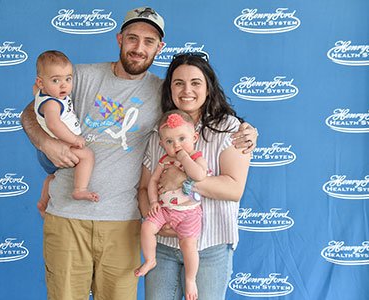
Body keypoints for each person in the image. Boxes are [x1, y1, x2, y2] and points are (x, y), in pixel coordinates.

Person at [20, 6, 258, 300]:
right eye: (132, 38)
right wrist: (46, 143)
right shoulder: (80, 77)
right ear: (119, 39)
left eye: (148, 41)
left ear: (160, 47)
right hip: (68, 216)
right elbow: (31, 112)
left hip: (124, 224)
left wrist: (248, 129)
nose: (138, 48)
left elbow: (201, 112)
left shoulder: (163, 95)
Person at [138, 53, 251, 300]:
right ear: (169, 89)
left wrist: (184, 180)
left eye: (195, 82)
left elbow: (233, 188)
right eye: (178, 82)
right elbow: (145, 187)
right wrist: (155, 219)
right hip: (164, 248)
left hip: (210, 246)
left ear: (208, 88)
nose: (187, 89)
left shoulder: (230, 128)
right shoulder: (161, 130)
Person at [136, 110, 207, 300]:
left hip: (189, 212)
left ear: (194, 137)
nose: (176, 145)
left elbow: (199, 175)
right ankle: (150, 259)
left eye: (182, 139)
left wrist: (184, 158)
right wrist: (153, 202)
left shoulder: (196, 157)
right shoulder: (164, 160)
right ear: (161, 144)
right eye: (169, 142)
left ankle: (190, 279)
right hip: (165, 210)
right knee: (147, 226)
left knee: (188, 245)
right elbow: (152, 182)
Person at [34, 50, 98, 207]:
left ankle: (43, 201)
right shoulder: (51, 104)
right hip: (59, 145)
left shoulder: (44, 94)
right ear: (41, 83)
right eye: (55, 80)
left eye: (68, 79)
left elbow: (34, 90)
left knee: (53, 176)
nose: (64, 85)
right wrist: (74, 139)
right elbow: (54, 125)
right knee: (87, 155)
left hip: (49, 151)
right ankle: (80, 189)